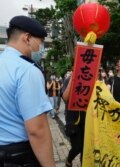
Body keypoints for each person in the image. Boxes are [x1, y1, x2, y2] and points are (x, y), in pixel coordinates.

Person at [0, 15, 55, 166]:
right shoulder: (27, 70)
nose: (40, 48)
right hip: (18, 157)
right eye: (41, 43)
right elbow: (37, 131)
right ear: (27, 38)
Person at [61, 70, 86, 167]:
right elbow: (65, 97)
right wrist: (72, 79)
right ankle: (69, 160)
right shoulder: (68, 80)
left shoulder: (89, 80)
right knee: (77, 147)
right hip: (73, 119)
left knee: (85, 147)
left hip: (86, 119)